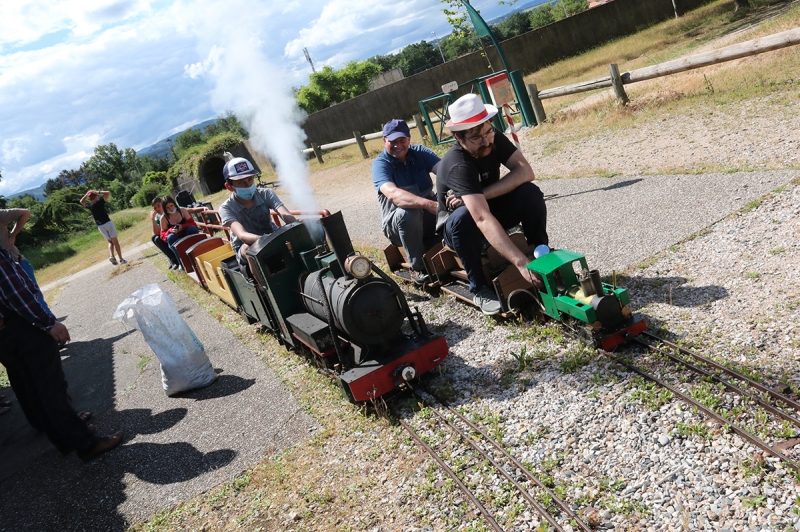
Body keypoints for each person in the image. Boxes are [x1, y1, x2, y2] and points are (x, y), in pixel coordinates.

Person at [0, 246, 124, 461]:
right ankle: (86, 443)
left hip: (5, 336)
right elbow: (16, 294)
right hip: (21, 327)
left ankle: (66, 438)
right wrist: (48, 323)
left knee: (34, 388)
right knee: (51, 387)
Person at [436, 93, 548, 316]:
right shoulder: (457, 164)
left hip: (488, 207)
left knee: (530, 193)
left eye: (488, 131)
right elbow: (481, 218)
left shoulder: (492, 137)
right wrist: (519, 263)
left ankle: (541, 253)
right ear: (459, 138)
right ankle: (479, 288)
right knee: (463, 216)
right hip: (461, 228)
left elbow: (526, 172)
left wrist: (481, 194)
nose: (486, 141)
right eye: (477, 137)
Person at [371, 119, 441, 285]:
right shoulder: (380, 165)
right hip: (398, 227)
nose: (398, 145)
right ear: (384, 141)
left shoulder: (420, 152)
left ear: (409, 139)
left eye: (402, 140)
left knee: (452, 196)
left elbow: (445, 170)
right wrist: (429, 204)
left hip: (427, 220)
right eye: (392, 141)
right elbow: (394, 194)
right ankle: (417, 268)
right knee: (408, 212)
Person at [218, 157, 296, 273]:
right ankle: (263, 288)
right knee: (248, 249)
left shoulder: (266, 193)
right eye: (241, 182)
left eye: (250, 179)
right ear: (229, 186)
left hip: (271, 234)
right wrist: (268, 240)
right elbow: (242, 235)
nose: (247, 185)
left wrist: (297, 225)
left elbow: (285, 214)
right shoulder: (226, 208)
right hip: (245, 246)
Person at [0, 208, 50, 313]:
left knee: (36, 302)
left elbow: (25, 213)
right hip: (5, 273)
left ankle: (53, 326)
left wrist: (13, 235)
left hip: (17, 265)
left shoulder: (1, 214)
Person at [80, 190, 126, 265]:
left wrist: (86, 194)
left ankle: (112, 256)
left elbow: (81, 201)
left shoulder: (90, 206)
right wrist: (97, 191)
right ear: (96, 196)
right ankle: (121, 259)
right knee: (115, 242)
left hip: (100, 226)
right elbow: (108, 193)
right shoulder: (100, 203)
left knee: (110, 242)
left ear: (90, 199)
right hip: (108, 223)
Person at [159, 196, 205, 271]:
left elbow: (193, 224)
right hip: (176, 238)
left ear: (174, 204)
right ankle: (182, 263)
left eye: (171, 206)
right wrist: (170, 230)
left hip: (187, 233)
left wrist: (182, 226)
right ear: (165, 209)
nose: (171, 209)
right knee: (171, 237)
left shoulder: (182, 211)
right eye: (167, 208)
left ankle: (199, 253)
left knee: (192, 229)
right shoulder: (164, 218)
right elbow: (162, 235)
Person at [150, 197, 181, 270]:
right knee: (155, 238)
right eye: (155, 208)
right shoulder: (158, 217)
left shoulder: (169, 211)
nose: (157, 209)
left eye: (159, 206)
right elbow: (157, 233)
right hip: (167, 234)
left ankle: (174, 259)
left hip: (176, 232)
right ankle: (173, 259)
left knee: (158, 238)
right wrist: (152, 219)